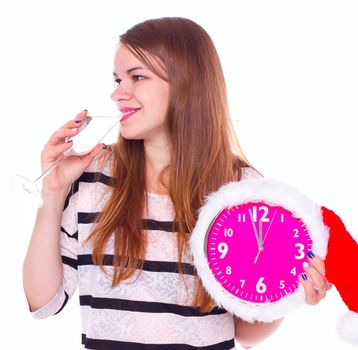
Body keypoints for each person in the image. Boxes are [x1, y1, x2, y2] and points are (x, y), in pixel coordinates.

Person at [23, 17, 331, 349]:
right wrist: (52, 193)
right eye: (116, 79)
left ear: (187, 84)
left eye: (137, 77)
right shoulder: (95, 177)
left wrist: (283, 297)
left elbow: (245, 333)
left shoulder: (241, 189)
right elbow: (44, 303)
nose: (117, 93)